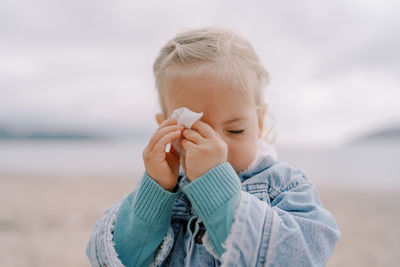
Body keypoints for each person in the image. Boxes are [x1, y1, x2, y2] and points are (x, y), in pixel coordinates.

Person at [86, 27, 340, 267]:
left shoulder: (285, 186)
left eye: (235, 130)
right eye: (195, 132)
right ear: (166, 128)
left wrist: (215, 188)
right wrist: (155, 193)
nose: (218, 148)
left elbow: (302, 256)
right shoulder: (163, 192)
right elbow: (111, 258)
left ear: (260, 122)